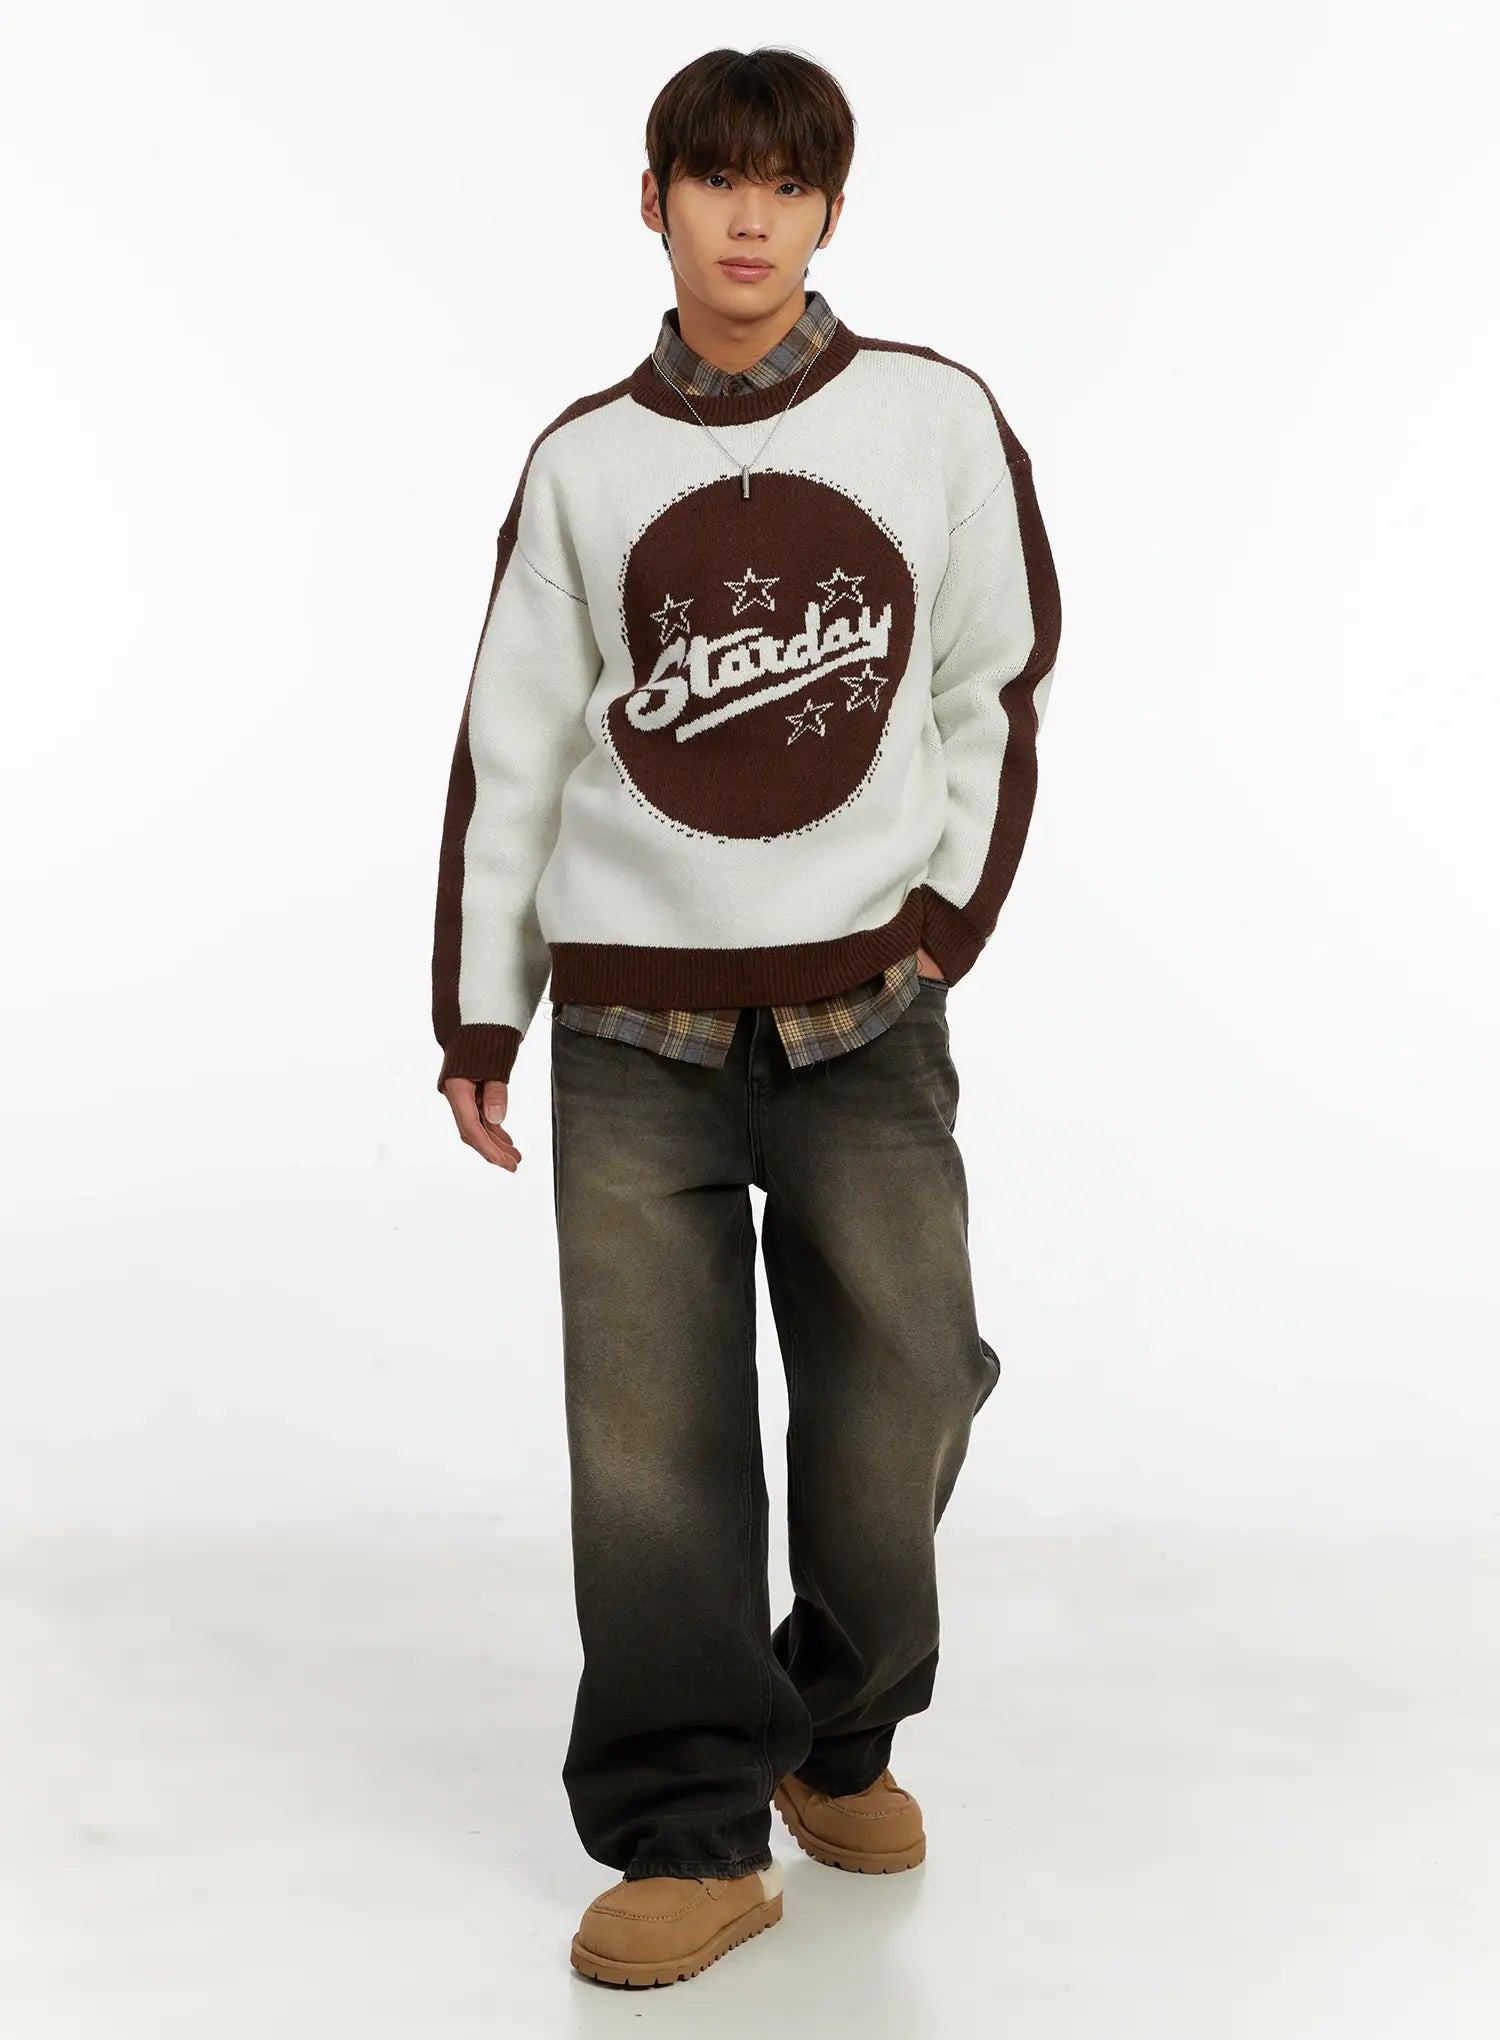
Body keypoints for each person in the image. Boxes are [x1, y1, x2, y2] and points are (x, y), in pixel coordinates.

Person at [430, 43, 1062, 1989]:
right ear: (656, 202)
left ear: (831, 210)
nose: (752, 218)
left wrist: (944, 914)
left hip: (868, 1012)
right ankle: (690, 1832)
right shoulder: (585, 465)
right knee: (651, 1453)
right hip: (638, 1035)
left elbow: (992, 678)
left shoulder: (933, 418)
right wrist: (482, 1013)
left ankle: (836, 1726)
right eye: (717, 180)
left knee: (909, 1393)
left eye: (789, 185)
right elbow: (514, 746)